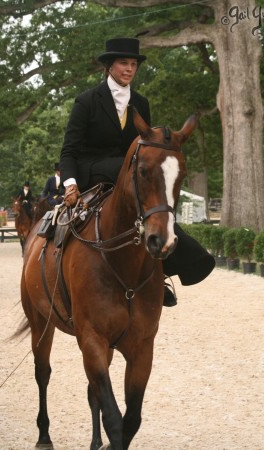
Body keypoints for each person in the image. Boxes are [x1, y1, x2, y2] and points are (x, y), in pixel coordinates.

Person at [60, 37, 215, 307]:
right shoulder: (86, 101)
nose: (129, 69)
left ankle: (163, 270)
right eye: (123, 63)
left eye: (133, 64)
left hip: (132, 174)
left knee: (154, 207)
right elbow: (69, 150)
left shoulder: (141, 102)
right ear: (109, 66)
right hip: (93, 170)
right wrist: (70, 183)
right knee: (128, 171)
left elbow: (147, 146)